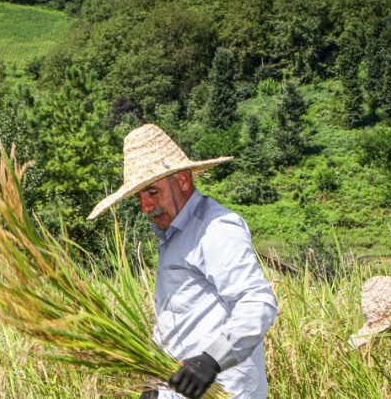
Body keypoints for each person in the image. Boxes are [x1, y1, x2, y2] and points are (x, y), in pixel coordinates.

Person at [87, 124, 278, 399]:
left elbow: (257, 301)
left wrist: (211, 361)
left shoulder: (215, 228)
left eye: (153, 192)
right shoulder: (172, 237)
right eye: (139, 196)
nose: (146, 206)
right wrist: (154, 384)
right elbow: (176, 319)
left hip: (223, 391)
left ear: (183, 181)